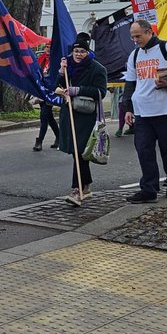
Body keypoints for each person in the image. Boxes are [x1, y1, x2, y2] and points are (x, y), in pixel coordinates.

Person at [122, 18, 167, 203]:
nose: (135, 40)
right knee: (144, 150)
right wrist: (128, 108)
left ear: (149, 32)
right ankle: (149, 189)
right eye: (132, 37)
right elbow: (130, 82)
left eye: (138, 36)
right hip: (143, 111)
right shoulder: (135, 55)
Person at [55, 34, 108, 205]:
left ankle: (78, 189)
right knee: (76, 152)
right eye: (76, 51)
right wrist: (61, 72)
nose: (78, 54)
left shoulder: (97, 69)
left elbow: (101, 92)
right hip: (69, 113)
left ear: (87, 52)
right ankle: (85, 187)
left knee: (80, 152)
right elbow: (59, 84)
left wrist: (78, 90)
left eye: (82, 51)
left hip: (86, 115)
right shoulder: (68, 65)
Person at [34, 43, 60, 151]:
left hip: (51, 92)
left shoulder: (56, 61)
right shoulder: (42, 59)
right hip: (41, 91)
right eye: (47, 47)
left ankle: (39, 141)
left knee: (44, 116)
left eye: (50, 47)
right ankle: (59, 137)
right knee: (49, 117)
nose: (48, 49)